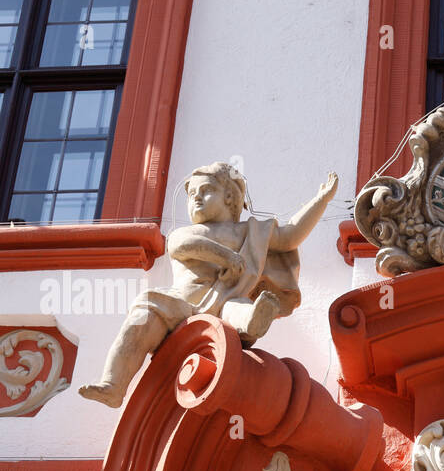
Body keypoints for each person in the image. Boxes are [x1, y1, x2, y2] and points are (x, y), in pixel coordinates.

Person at [80, 163, 339, 408]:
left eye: (206, 191)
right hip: (181, 304)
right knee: (143, 316)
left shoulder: (251, 231)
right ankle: (113, 385)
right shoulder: (187, 232)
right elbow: (183, 247)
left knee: (239, 308)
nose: (196, 197)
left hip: (226, 302)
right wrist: (226, 257)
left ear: (229, 198)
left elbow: (290, 236)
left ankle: (254, 321)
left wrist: (321, 200)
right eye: (192, 193)